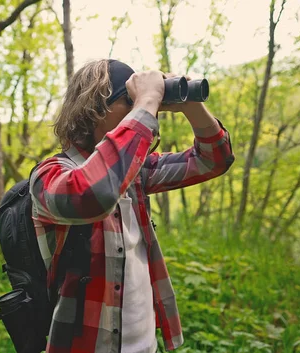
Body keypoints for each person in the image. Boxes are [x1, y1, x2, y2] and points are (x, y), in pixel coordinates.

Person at [29, 59, 234, 353]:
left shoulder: (137, 174)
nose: (142, 109)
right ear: (94, 109)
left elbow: (214, 159)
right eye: (130, 102)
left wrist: (189, 103)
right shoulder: (50, 176)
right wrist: (148, 99)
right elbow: (93, 195)